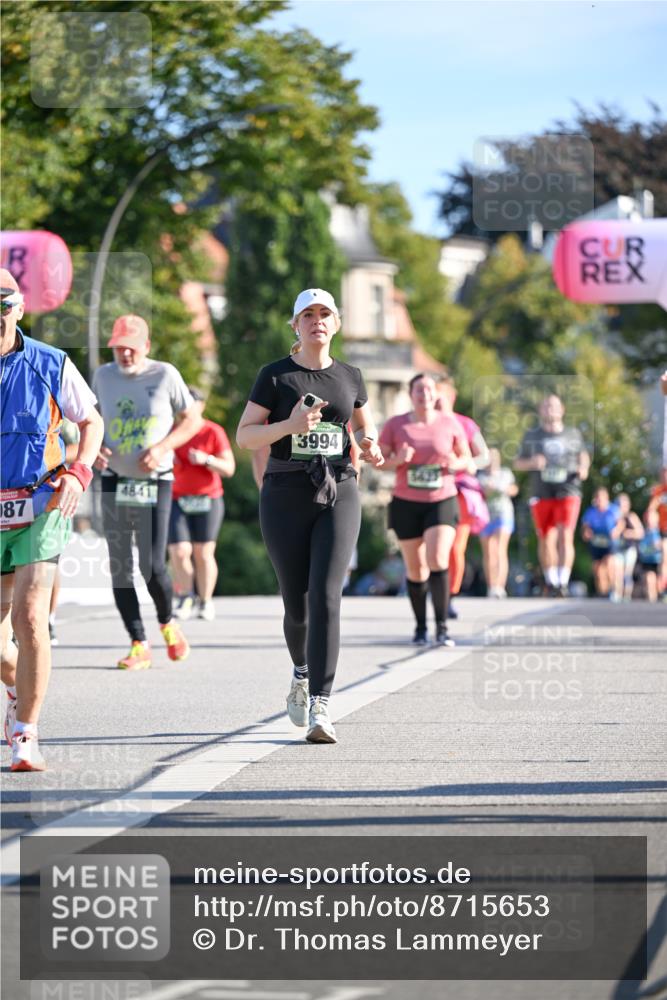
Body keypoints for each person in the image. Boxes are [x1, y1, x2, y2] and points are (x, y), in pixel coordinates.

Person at [236, 288, 384, 744]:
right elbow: (245, 436)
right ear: (295, 326)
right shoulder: (276, 377)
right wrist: (289, 427)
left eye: (325, 314)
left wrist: (370, 445)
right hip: (284, 494)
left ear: (336, 324)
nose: (317, 320)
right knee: (296, 604)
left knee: (326, 597)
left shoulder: (351, 376)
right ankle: (301, 673)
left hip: (339, 489)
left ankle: (321, 703)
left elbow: (361, 425)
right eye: (308, 314)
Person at [0, 269, 103, 771]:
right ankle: (17, 690)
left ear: (19, 309)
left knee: (29, 615)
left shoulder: (49, 362)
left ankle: (26, 734)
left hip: (40, 503)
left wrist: (78, 473)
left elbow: (91, 420)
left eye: (4, 304)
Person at [93, 315, 201, 670]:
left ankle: (168, 623)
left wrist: (163, 447)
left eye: (132, 347)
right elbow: (91, 421)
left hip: (156, 480)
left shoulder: (165, 374)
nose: (125, 353)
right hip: (114, 479)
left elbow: (191, 419)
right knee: (121, 566)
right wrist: (93, 450)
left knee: (152, 565)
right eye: (119, 347)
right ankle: (138, 642)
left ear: (146, 347)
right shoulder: (103, 376)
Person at [379, 373, 473, 646]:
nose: (425, 394)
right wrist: (397, 460)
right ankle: (421, 627)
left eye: (429, 389)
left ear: (436, 394)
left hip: (441, 499)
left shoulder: (450, 423)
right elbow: (379, 460)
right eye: (419, 389)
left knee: (438, 558)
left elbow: (467, 458)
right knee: (416, 569)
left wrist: (456, 463)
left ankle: (442, 627)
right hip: (406, 502)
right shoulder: (396, 425)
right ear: (411, 394)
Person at [169, 387, 235, 621]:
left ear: (201, 406)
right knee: (179, 551)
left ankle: (205, 601)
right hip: (176, 498)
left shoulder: (212, 431)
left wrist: (207, 460)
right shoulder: (171, 432)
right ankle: (186, 596)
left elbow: (229, 468)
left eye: (192, 402)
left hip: (208, 498)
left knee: (204, 553)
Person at [515, 394, 590, 597]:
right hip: (541, 491)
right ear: (540, 410)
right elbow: (517, 462)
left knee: (566, 534)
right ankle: (551, 580)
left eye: (554, 406)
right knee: (546, 537)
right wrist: (532, 463)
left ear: (562, 410)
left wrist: (584, 467)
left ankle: (563, 581)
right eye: (546, 406)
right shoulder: (532, 435)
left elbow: (583, 454)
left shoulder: (572, 434)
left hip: (569, 489)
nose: (550, 409)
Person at [435, 374, 490, 616]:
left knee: (455, 548)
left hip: (459, 493)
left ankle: (449, 595)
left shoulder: (465, 424)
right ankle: (433, 591)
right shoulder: (421, 424)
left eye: (441, 397)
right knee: (434, 547)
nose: (436, 402)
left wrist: (464, 463)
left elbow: (484, 457)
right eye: (432, 397)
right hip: (429, 492)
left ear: (452, 397)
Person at [478, 448, 518, 598]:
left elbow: (514, 489)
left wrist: (505, 489)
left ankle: (500, 586)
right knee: (489, 552)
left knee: (500, 549)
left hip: (503, 513)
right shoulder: (480, 476)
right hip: (485, 515)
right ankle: (491, 586)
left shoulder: (505, 474)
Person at [580, 487, 622, 599]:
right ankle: (602, 592)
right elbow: (585, 527)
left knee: (609, 563)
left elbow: (620, 523)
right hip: (596, 542)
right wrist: (586, 532)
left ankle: (613, 589)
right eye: (597, 498)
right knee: (598, 569)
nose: (599, 501)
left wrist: (616, 530)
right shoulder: (590, 511)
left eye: (601, 498)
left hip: (609, 542)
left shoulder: (613, 510)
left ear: (606, 498)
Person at [614, 493, 643, 601]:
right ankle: (617, 594)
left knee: (627, 573)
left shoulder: (632, 516)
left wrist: (629, 533)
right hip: (618, 548)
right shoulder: (614, 517)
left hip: (629, 548)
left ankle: (626, 596)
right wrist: (619, 527)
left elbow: (640, 532)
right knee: (617, 572)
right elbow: (612, 534)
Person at [637, 507, 663, 602]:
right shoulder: (642, 532)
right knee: (649, 580)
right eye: (648, 517)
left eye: (652, 517)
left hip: (659, 563)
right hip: (646, 563)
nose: (650, 520)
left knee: (658, 586)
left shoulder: (661, 533)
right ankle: (651, 603)